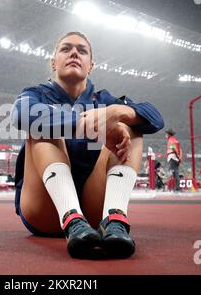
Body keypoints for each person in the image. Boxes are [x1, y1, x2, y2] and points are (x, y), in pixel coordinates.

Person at [10, 31, 164, 259]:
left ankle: (115, 219)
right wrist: (86, 125)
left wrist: (119, 111)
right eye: (66, 49)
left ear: (90, 65)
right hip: (46, 209)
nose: (74, 53)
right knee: (41, 127)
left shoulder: (104, 100)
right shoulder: (36, 94)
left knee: (131, 126)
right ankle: (71, 219)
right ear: (53, 62)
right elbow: (20, 115)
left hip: (93, 209)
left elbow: (156, 118)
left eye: (82, 50)